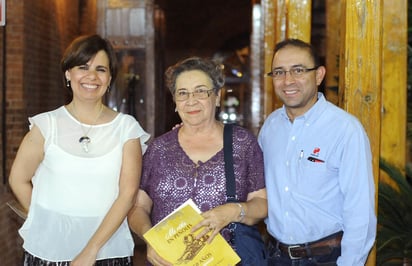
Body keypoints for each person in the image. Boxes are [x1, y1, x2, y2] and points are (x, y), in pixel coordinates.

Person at [8, 34, 150, 266]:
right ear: (68, 73)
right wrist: (43, 220)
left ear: (110, 77)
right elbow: (18, 179)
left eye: (101, 69)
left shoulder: (127, 128)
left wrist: (91, 249)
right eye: (83, 67)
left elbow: (127, 194)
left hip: (108, 251)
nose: (91, 76)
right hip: (48, 252)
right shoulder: (46, 125)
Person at [127, 56, 267, 266]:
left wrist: (232, 211)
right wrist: (150, 238)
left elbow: (262, 204)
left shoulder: (242, 143)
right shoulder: (159, 149)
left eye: (201, 91)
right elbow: (138, 208)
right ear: (175, 101)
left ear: (217, 97)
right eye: (183, 93)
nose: (191, 100)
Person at [258, 38, 377, 265]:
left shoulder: (345, 129)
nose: (288, 80)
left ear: (319, 75)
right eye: (279, 72)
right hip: (275, 256)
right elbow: (254, 184)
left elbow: (360, 211)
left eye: (298, 70)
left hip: (326, 258)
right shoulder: (270, 127)